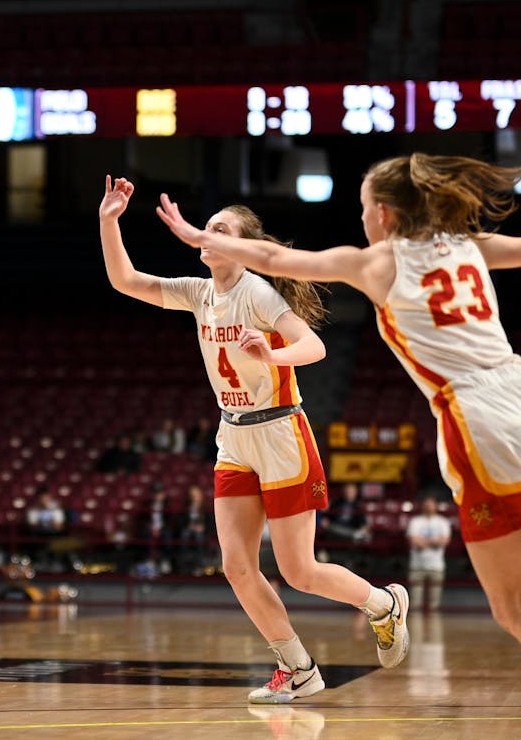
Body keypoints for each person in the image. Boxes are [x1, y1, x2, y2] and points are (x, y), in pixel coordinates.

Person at [160, 153, 521, 644]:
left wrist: (199, 235)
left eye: (364, 208)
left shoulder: (377, 261)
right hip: (516, 383)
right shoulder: (468, 244)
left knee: (512, 608)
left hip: (477, 416)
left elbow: (273, 259)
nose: (362, 218)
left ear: (385, 215)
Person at [101, 175, 409, 705]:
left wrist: (270, 355)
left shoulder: (258, 292)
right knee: (236, 566)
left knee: (299, 571)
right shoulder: (199, 293)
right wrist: (110, 221)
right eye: (208, 227)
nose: (208, 235)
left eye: (220, 229)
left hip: (281, 432)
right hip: (233, 435)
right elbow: (126, 281)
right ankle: (297, 667)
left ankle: (382, 604)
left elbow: (313, 347)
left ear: (239, 245)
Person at [407, 494, 452, 613]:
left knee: (434, 604)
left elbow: (444, 540)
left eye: (431, 504)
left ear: (436, 506)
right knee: (415, 603)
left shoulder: (443, 522)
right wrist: (434, 542)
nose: (428, 507)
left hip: (436, 566)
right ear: (423, 506)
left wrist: (424, 542)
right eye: (426, 504)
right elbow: (414, 540)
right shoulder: (415, 521)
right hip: (417, 565)